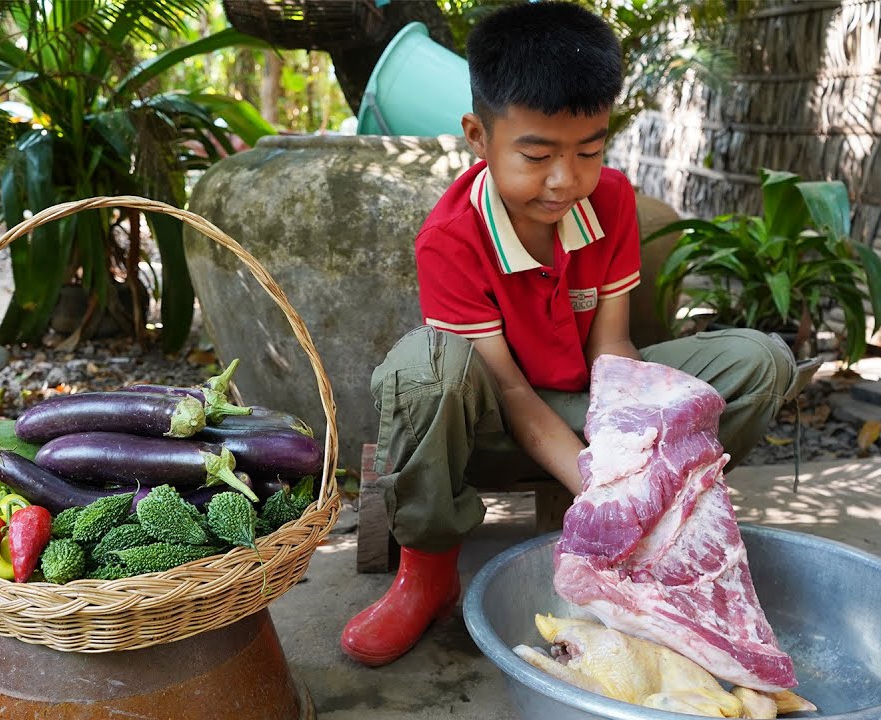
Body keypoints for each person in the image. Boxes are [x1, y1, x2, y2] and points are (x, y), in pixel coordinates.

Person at [340, 1, 805, 668]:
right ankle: (430, 574)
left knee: (759, 361)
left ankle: (661, 530)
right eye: (537, 155)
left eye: (589, 150)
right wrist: (603, 491)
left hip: (589, 411)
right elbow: (513, 395)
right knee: (425, 369)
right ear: (479, 136)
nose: (566, 180)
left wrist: (628, 457)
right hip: (491, 430)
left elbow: (612, 353)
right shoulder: (449, 239)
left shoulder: (609, 200)